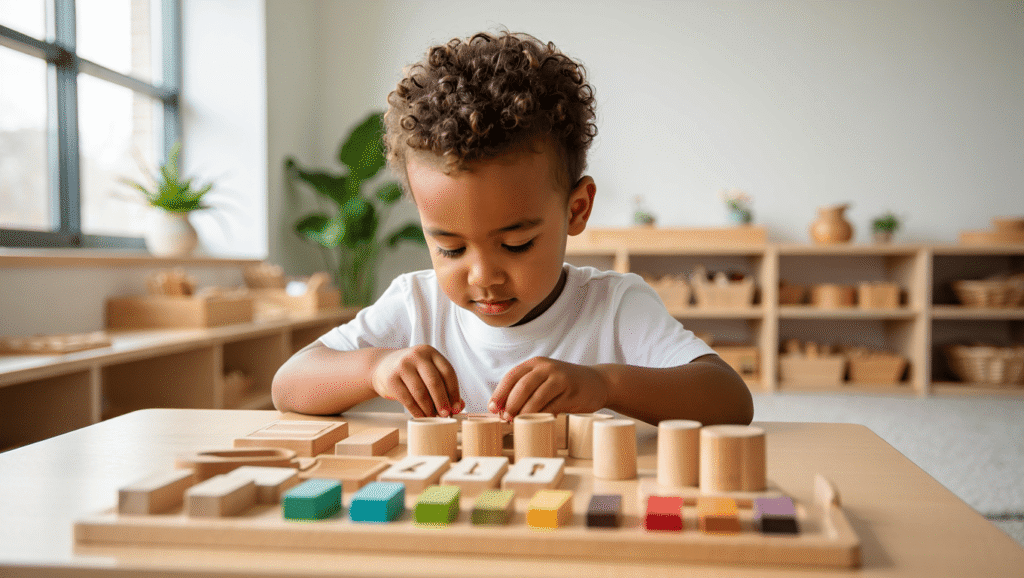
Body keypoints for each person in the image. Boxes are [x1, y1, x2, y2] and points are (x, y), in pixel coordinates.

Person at [272, 30, 753, 426]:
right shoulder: (415, 305)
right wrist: (375, 368)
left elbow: (730, 400)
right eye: (450, 248)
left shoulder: (613, 306)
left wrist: (604, 384)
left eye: (516, 244)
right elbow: (289, 385)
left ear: (576, 210)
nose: (483, 276)